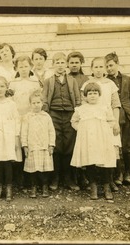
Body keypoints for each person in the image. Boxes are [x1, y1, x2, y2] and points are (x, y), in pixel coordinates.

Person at [81, 57, 122, 192]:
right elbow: (84, 104)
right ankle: (94, 182)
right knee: (94, 150)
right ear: (91, 69)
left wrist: (115, 123)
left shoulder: (110, 84)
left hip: (107, 121)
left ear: (105, 68)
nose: (98, 70)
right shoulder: (87, 84)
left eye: (101, 67)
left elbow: (115, 105)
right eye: (96, 67)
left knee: (109, 151)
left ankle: (109, 181)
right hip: (92, 123)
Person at [42, 52, 81, 191]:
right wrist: (46, 115)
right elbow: (45, 100)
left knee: (69, 146)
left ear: (66, 65)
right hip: (54, 115)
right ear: (53, 65)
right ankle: (55, 178)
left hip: (70, 115)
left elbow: (77, 99)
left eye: (62, 62)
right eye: (57, 63)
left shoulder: (72, 81)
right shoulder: (49, 81)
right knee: (56, 146)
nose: (60, 65)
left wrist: (77, 114)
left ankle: (68, 178)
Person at [71, 82, 117, 200]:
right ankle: (93, 187)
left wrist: (106, 129)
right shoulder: (81, 109)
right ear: (85, 96)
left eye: (95, 93)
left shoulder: (105, 107)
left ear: (99, 95)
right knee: (90, 162)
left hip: (102, 139)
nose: (92, 96)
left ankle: (106, 187)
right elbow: (74, 121)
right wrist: (81, 130)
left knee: (104, 162)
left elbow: (111, 121)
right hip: (88, 140)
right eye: (90, 93)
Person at [105, 52, 130, 185]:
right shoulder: (106, 81)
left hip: (126, 115)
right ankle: (118, 174)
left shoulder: (126, 79)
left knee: (127, 145)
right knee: (115, 145)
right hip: (114, 116)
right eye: (107, 66)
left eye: (111, 65)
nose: (109, 68)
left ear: (117, 64)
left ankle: (128, 173)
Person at [9, 55, 41, 188]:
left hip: (31, 117)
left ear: (30, 67)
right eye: (20, 67)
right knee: (18, 146)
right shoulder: (13, 83)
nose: (23, 69)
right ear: (16, 68)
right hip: (17, 118)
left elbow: (37, 100)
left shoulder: (35, 83)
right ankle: (19, 178)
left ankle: (31, 177)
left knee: (30, 144)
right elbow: (10, 102)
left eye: (26, 66)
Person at [21, 90, 55, 198]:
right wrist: (25, 146)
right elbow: (24, 132)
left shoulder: (46, 116)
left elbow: (51, 131)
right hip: (32, 147)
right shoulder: (27, 117)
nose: (36, 105)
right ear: (30, 104)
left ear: (42, 103)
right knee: (33, 169)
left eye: (38, 103)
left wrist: (51, 145)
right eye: (33, 103)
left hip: (44, 147)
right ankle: (33, 187)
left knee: (44, 169)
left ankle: (44, 186)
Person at [67, 51, 90, 189]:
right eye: (71, 63)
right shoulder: (66, 78)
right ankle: (72, 177)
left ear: (81, 63)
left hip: (83, 116)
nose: (74, 65)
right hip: (71, 116)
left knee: (84, 146)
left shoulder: (86, 79)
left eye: (77, 62)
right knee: (71, 146)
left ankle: (84, 177)